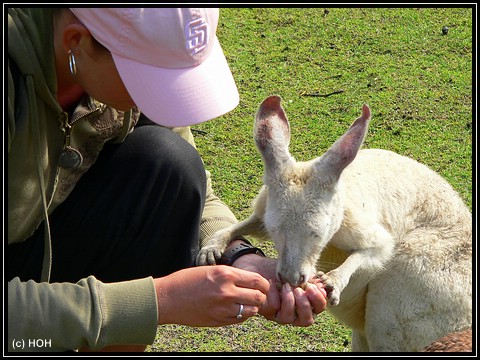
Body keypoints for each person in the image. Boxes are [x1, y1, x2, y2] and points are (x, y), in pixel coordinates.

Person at [7, 8, 327, 352]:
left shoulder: (110, 60)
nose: (158, 97)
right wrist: (160, 301)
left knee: (167, 161)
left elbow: (190, 188)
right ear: (76, 41)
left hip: (40, 239)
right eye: (147, 78)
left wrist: (237, 254)